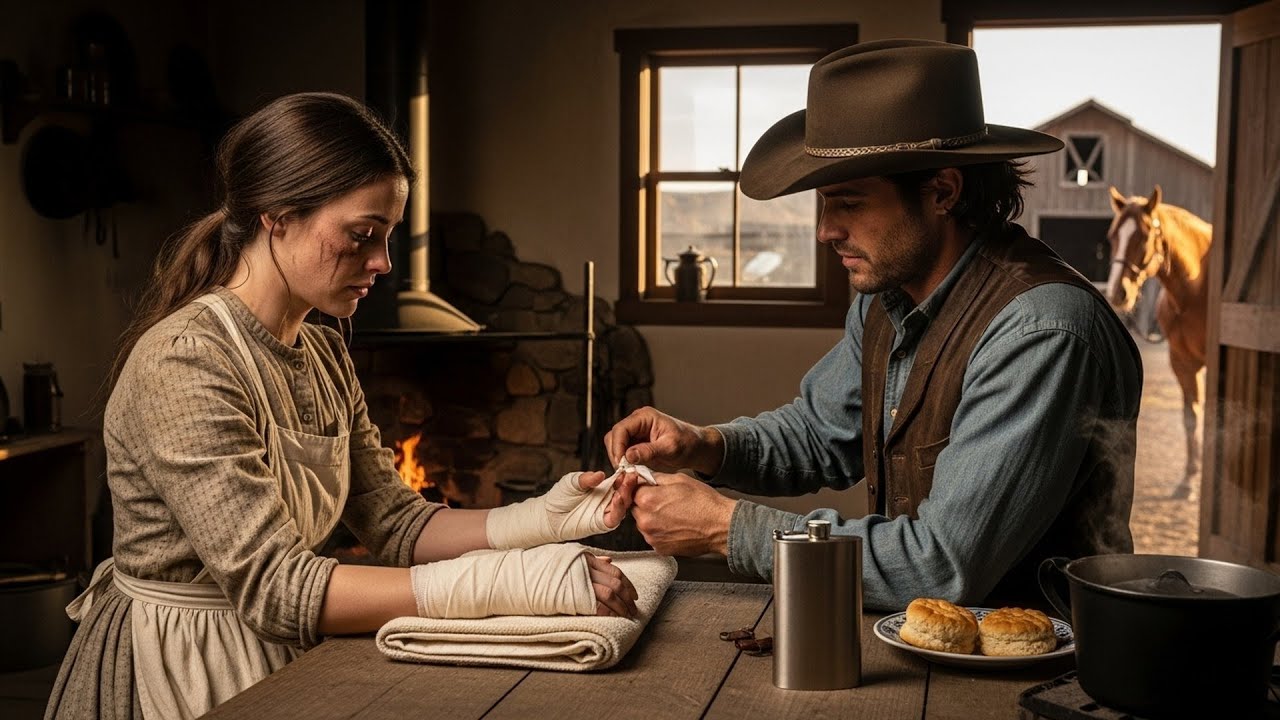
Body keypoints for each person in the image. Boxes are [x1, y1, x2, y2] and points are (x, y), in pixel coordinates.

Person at [46, 92, 638, 720]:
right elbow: (276, 589)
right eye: (362, 236)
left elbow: (395, 522)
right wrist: (521, 584)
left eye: (385, 238)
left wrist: (543, 519)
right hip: (179, 663)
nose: (382, 262)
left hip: (279, 652)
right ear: (278, 216)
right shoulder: (185, 360)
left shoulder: (323, 352)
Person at [604, 39, 1142, 611]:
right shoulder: (887, 296)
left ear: (943, 191)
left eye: (850, 203)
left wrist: (727, 529)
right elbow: (821, 431)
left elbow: (940, 564)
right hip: (922, 648)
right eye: (823, 205)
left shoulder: (1041, 332)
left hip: (1036, 673)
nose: (825, 231)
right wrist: (704, 446)